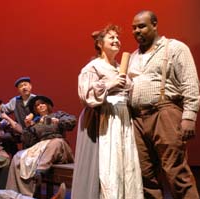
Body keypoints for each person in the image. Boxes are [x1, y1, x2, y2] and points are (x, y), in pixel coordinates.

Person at [128, 10, 200, 198]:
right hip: (137, 118)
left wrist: (189, 117)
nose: (137, 31)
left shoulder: (175, 47)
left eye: (142, 26)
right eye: (134, 28)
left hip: (164, 112)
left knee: (175, 171)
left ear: (154, 24)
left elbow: (190, 83)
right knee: (145, 175)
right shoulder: (134, 56)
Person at [72, 24, 143, 199]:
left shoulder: (121, 67)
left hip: (123, 119)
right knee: (108, 166)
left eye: (118, 38)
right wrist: (110, 85)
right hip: (104, 120)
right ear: (99, 43)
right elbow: (86, 95)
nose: (116, 41)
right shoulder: (93, 67)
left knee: (124, 164)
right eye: (111, 38)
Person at [6, 95, 75, 197]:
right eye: (37, 105)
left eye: (42, 103)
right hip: (41, 147)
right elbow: (28, 142)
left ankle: (40, 172)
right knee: (18, 156)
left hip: (59, 147)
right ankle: (15, 194)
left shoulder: (57, 115)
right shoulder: (36, 122)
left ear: (47, 105)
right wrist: (28, 127)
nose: (40, 106)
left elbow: (72, 121)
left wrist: (59, 121)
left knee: (55, 142)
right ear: (35, 109)